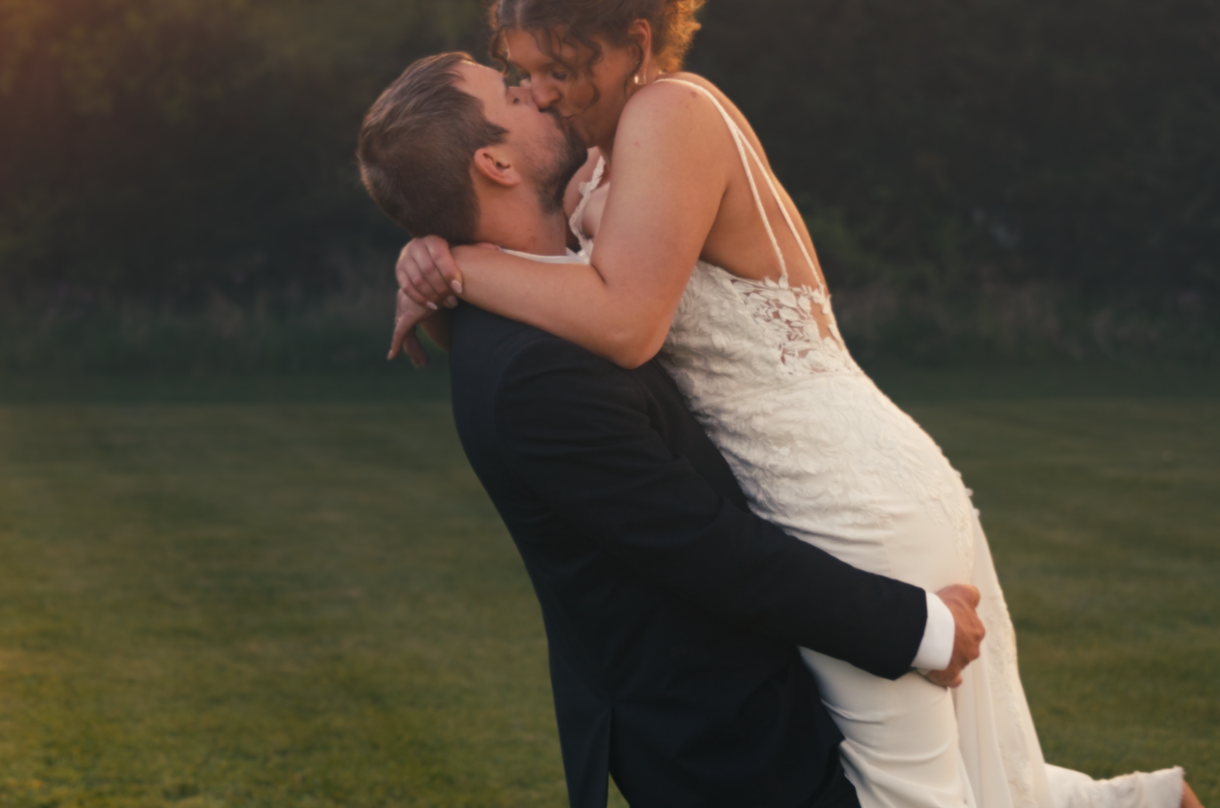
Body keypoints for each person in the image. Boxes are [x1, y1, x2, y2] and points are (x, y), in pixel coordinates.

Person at [386, 0, 1195, 808]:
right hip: (832, 490)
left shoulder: (671, 112)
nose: (539, 93)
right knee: (996, 790)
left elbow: (624, 325)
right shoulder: (603, 167)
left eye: (557, 69)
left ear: (635, 43)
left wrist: (461, 263)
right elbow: (554, 328)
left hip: (842, 499)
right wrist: (441, 270)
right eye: (523, 74)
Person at [357, 52, 989, 808]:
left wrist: (445, 256)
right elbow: (708, 549)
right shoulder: (532, 372)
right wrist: (918, 629)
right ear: (494, 162)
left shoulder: (573, 281)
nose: (538, 93)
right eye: (512, 93)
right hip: (730, 740)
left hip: (765, 687)